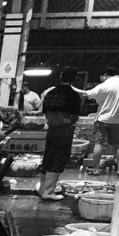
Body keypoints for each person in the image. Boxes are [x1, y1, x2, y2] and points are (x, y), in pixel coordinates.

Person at [36, 66, 83, 201]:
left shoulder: (50, 93)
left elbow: (45, 112)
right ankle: (49, 192)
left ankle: (42, 189)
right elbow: (74, 117)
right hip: (64, 130)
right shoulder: (73, 95)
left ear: (61, 77)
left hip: (51, 129)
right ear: (73, 79)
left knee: (48, 158)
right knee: (58, 159)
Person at [78, 68, 119, 176]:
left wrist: (70, 87)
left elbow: (85, 94)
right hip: (117, 120)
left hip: (102, 120)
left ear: (104, 75)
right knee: (117, 145)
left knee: (98, 143)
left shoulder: (104, 85)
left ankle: (96, 169)